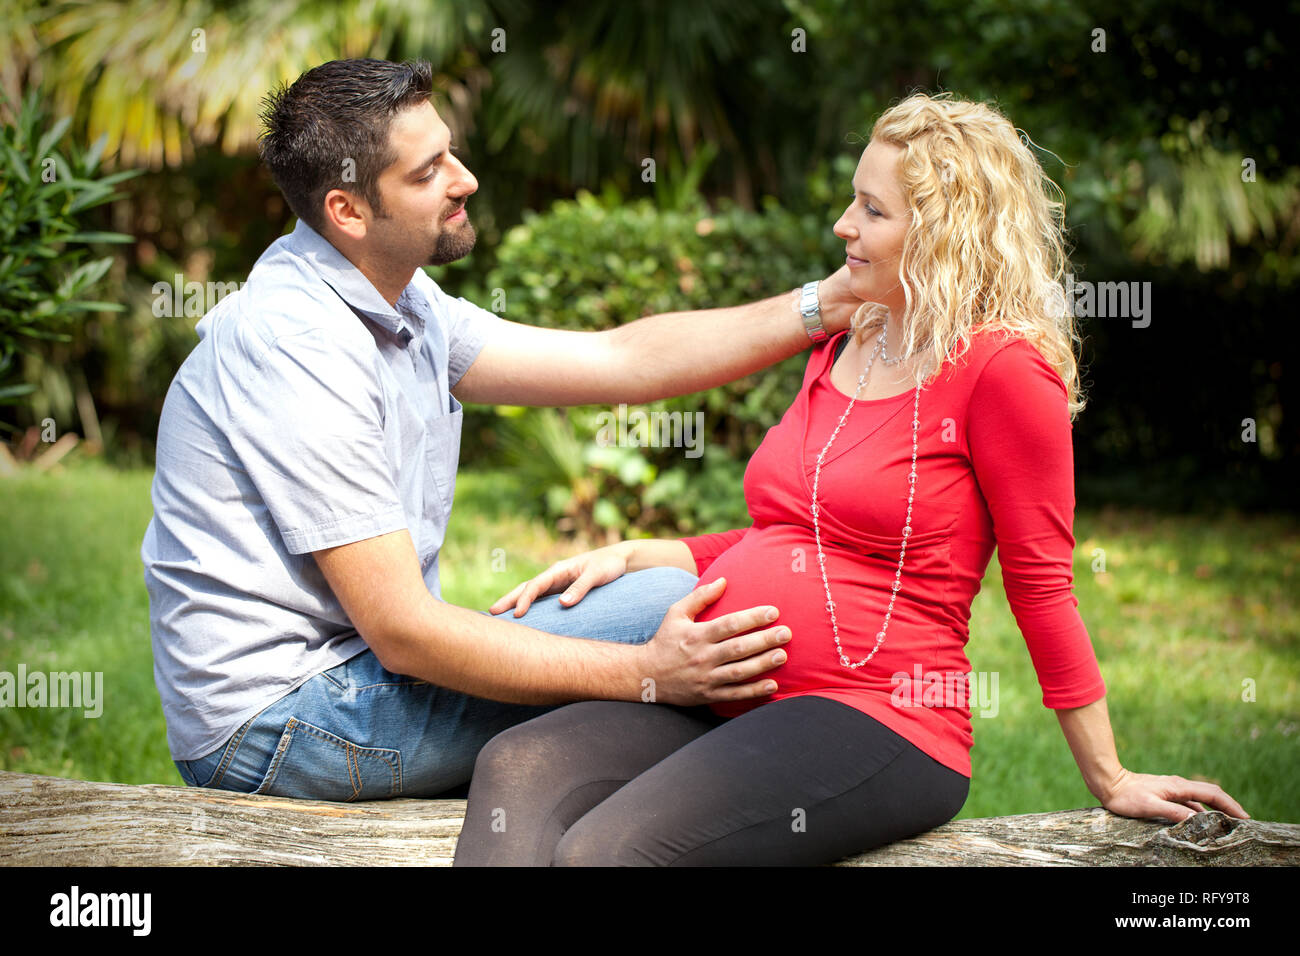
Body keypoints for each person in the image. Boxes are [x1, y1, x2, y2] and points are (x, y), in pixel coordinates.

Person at [452, 92, 1251, 866]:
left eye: (873, 209)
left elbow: (1043, 587)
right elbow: (794, 531)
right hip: (734, 700)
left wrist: (1109, 776)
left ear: (944, 231)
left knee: (607, 850)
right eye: (852, 201)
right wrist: (645, 552)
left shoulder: (1004, 370)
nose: (844, 225)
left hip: (883, 716)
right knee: (518, 764)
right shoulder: (849, 340)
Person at [140, 58, 862, 801]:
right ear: (347, 211)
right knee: (686, 610)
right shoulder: (297, 343)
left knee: (683, 608)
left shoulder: (402, 299)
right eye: (428, 173)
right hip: (281, 726)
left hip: (355, 678)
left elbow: (618, 359)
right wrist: (647, 672)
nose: (465, 180)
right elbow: (403, 631)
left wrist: (826, 303)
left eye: (449, 151)